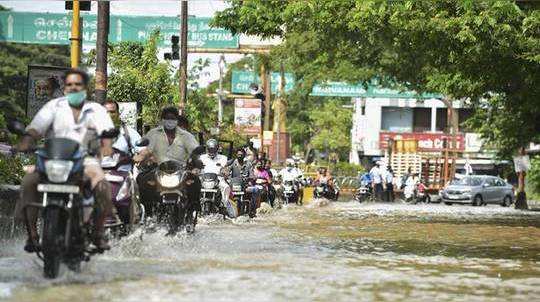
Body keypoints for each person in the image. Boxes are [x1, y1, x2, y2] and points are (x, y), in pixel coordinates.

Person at [15, 69, 115, 251]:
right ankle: (32, 235)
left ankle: (98, 234)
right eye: (69, 84)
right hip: (52, 160)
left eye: (78, 84)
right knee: (28, 182)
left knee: (103, 187)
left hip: (85, 161)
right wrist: (27, 141)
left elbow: (106, 132)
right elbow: (35, 128)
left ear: (86, 88)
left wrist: (106, 144)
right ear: (65, 87)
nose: (73, 88)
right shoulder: (54, 106)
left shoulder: (97, 110)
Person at [134, 106, 200, 216]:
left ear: (177, 120)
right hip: (159, 170)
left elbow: (195, 151)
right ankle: (147, 212)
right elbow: (146, 151)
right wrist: (137, 158)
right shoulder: (154, 134)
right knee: (141, 179)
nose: (170, 121)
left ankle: (191, 211)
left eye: (172, 118)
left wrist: (195, 162)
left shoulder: (186, 136)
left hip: (181, 170)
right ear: (162, 119)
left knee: (196, 181)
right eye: (167, 118)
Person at [103, 100, 141, 171]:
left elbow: (144, 151)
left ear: (118, 113)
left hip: (123, 178)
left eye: (112, 112)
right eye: (106, 112)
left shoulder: (129, 133)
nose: (109, 115)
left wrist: (136, 158)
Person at [200, 139, 231, 212]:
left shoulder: (223, 158)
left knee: (226, 187)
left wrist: (225, 172)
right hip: (203, 179)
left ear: (217, 149)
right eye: (210, 149)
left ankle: (224, 205)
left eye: (213, 149)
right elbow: (196, 168)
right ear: (207, 149)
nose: (212, 151)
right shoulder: (201, 158)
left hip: (218, 179)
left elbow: (225, 169)